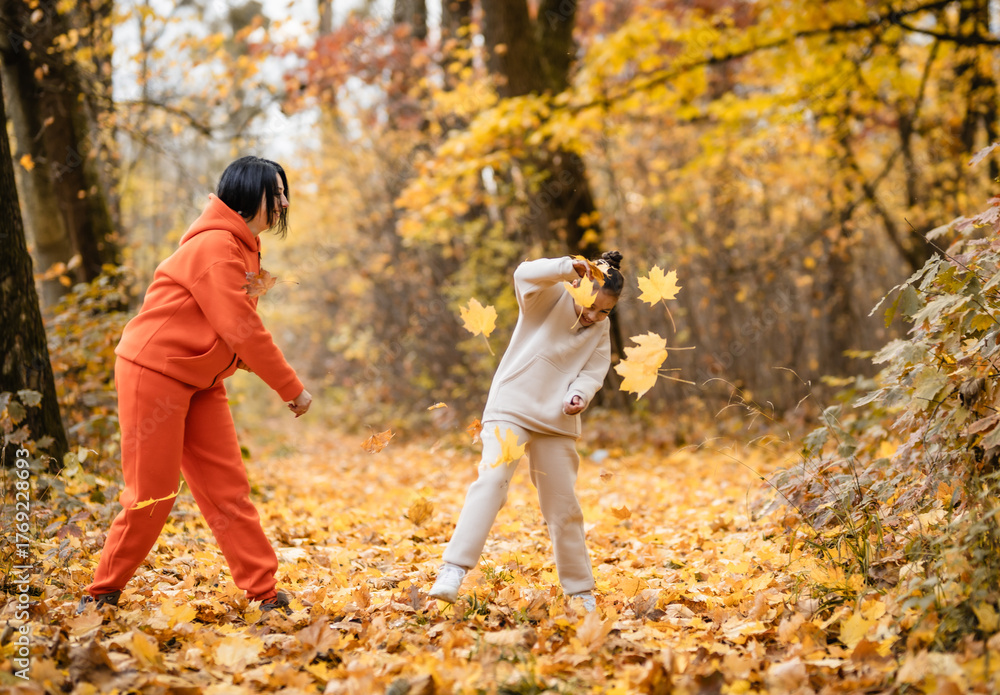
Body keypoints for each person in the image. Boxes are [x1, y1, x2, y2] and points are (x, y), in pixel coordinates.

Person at [79, 156, 312, 614]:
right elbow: (242, 328)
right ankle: (101, 592)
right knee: (152, 494)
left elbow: (223, 328)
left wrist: (240, 363)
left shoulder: (244, 244)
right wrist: (291, 387)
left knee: (228, 488)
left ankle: (264, 593)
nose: (284, 202)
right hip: (155, 372)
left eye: (285, 193)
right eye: (277, 193)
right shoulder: (217, 246)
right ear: (250, 194)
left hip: (200, 378)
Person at [429, 251, 625, 612]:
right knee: (492, 481)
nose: (593, 315)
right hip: (512, 408)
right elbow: (524, 274)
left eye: (604, 311)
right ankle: (453, 569)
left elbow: (593, 371)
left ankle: (580, 592)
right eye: (590, 304)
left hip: (557, 419)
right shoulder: (546, 297)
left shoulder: (600, 328)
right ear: (576, 285)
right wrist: (566, 267)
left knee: (563, 505)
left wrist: (579, 395)